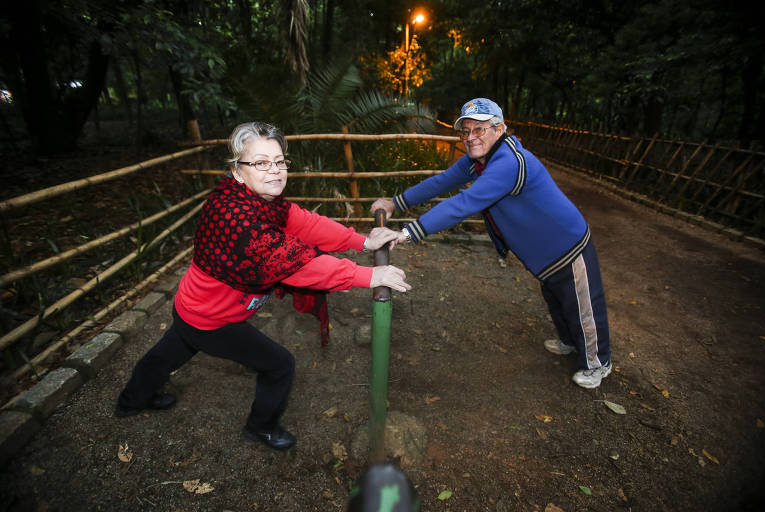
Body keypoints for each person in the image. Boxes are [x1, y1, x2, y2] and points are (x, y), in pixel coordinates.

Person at [116, 121, 411, 450]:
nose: (275, 170)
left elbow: (306, 223)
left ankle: (133, 399)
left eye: (279, 161)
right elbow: (297, 265)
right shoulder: (238, 218)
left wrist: (362, 242)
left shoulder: (261, 201)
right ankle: (261, 426)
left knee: (168, 352)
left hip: (192, 304)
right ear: (238, 171)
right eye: (260, 162)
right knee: (279, 364)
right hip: (212, 319)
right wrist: (368, 276)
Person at [371, 98, 611, 389]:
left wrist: (405, 234)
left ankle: (599, 364)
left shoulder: (509, 162)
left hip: (567, 245)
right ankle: (570, 342)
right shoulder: (478, 161)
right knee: (557, 298)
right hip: (544, 253)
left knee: (581, 304)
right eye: (466, 131)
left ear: (499, 129)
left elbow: (465, 202)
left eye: (480, 129)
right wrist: (397, 202)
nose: (471, 137)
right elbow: (443, 181)